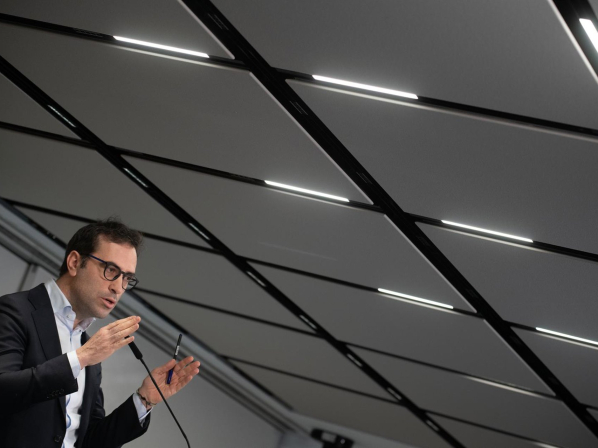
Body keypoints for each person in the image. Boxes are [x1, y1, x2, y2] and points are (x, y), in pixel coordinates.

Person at [0, 218, 200, 447]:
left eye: (127, 278)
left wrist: (145, 398)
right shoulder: (16, 310)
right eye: (111, 270)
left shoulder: (89, 349)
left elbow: (91, 440)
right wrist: (81, 358)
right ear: (75, 262)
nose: (118, 287)